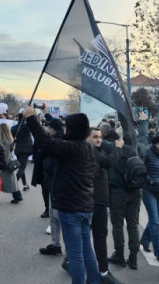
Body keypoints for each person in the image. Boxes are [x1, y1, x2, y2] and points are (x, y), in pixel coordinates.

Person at [24, 106, 101, 284]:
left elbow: (47, 143)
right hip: (86, 206)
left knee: (75, 253)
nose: (65, 129)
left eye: (68, 126)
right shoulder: (88, 148)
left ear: (74, 129)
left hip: (71, 208)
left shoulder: (72, 148)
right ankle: (94, 281)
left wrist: (31, 119)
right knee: (86, 249)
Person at [88, 127, 124, 284]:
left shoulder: (95, 150)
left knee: (90, 235)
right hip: (96, 200)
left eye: (100, 137)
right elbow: (109, 162)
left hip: (96, 200)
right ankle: (102, 272)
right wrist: (118, 148)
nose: (99, 139)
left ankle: (100, 270)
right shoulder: (91, 152)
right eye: (95, 136)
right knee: (99, 235)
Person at [140, 134, 159, 265]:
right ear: (154, 144)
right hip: (149, 191)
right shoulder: (147, 153)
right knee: (155, 221)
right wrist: (148, 179)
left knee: (155, 220)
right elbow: (141, 169)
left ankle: (145, 240)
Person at [38, 119, 65, 257]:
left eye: (48, 127)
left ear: (53, 129)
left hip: (57, 185)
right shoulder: (56, 140)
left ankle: (60, 247)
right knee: (55, 216)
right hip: (54, 183)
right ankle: (55, 245)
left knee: (58, 216)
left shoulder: (56, 142)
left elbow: (50, 164)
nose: (46, 129)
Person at [0, 123, 21, 203]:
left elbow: (6, 153)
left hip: (6, 163)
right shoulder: (9, 139)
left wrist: (3, 164)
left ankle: (18, 197)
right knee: (11, 181)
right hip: (9, 162)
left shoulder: (5, 141)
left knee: (9, 182)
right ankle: (18, 196)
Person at [10, 116, 33, 192]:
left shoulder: (14, 128)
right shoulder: (28, 126)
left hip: (18, 150)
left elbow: (12, 138)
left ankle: (25, 184)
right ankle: (13, 185)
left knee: (21, 167)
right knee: (21, 168)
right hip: (26, 150)